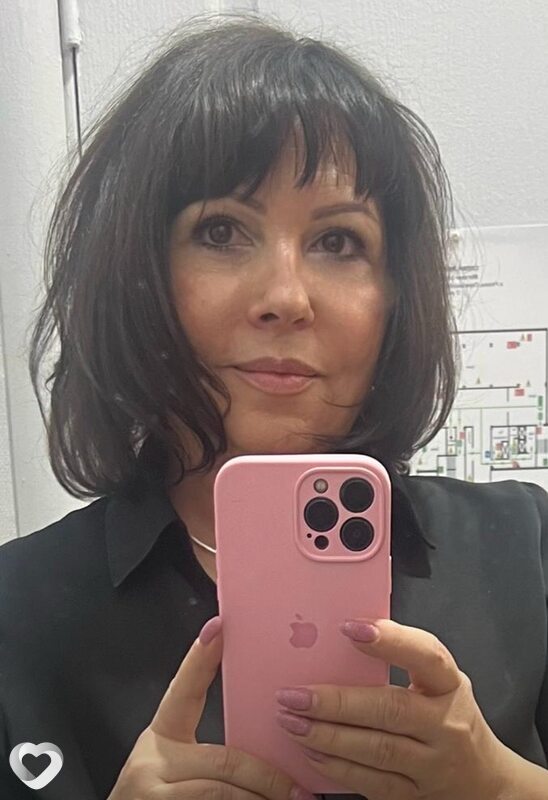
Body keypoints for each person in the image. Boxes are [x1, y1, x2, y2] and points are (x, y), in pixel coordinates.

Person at [0, 11, 547, 800]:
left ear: (395, 297)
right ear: (136, 271)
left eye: (338, 242)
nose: (286, 297)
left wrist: (500, 788)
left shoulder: (524, 550)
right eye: (222, 231)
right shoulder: (16, 614)